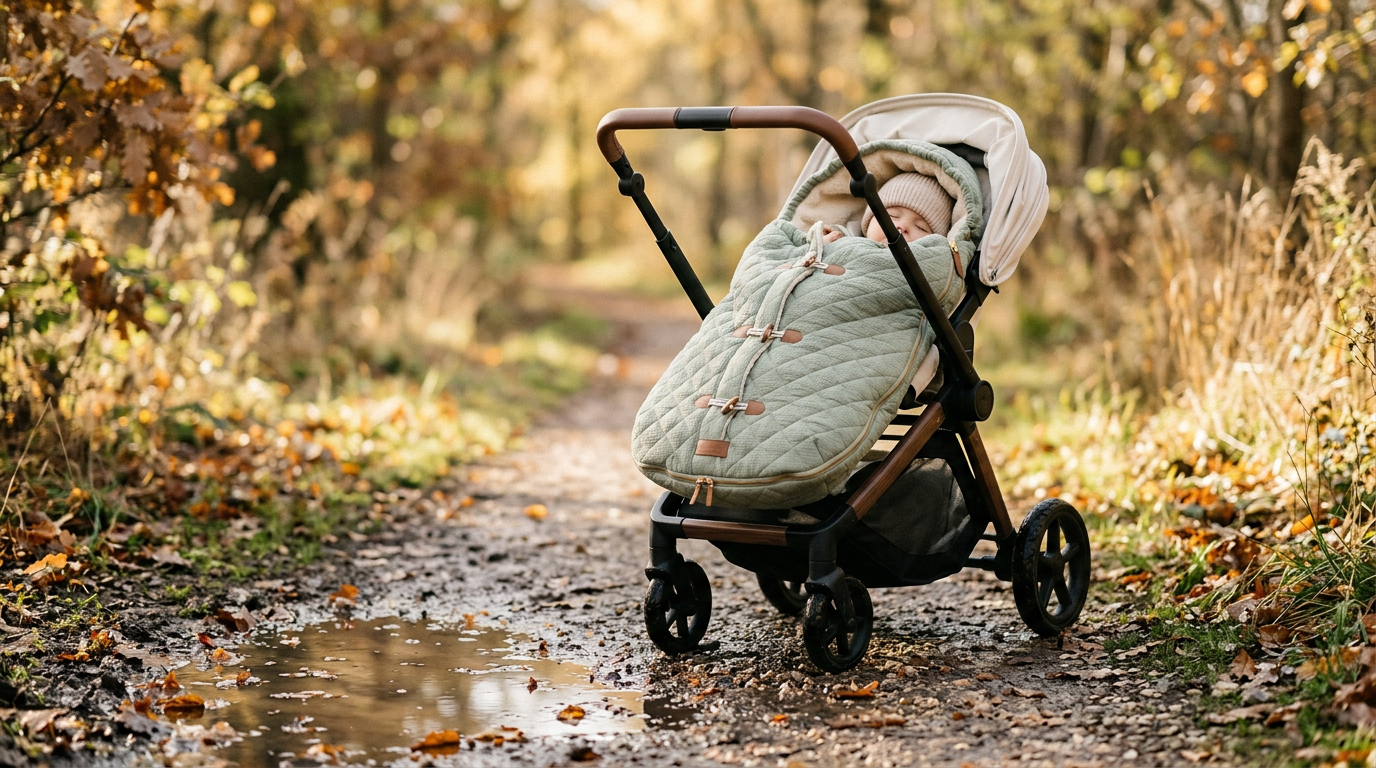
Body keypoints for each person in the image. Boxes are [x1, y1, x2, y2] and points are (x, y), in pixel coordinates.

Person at [822, 172, 953, 244]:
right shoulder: (840, 239)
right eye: (893, 216)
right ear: (868, 223)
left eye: (921, 227)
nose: (902, 227)